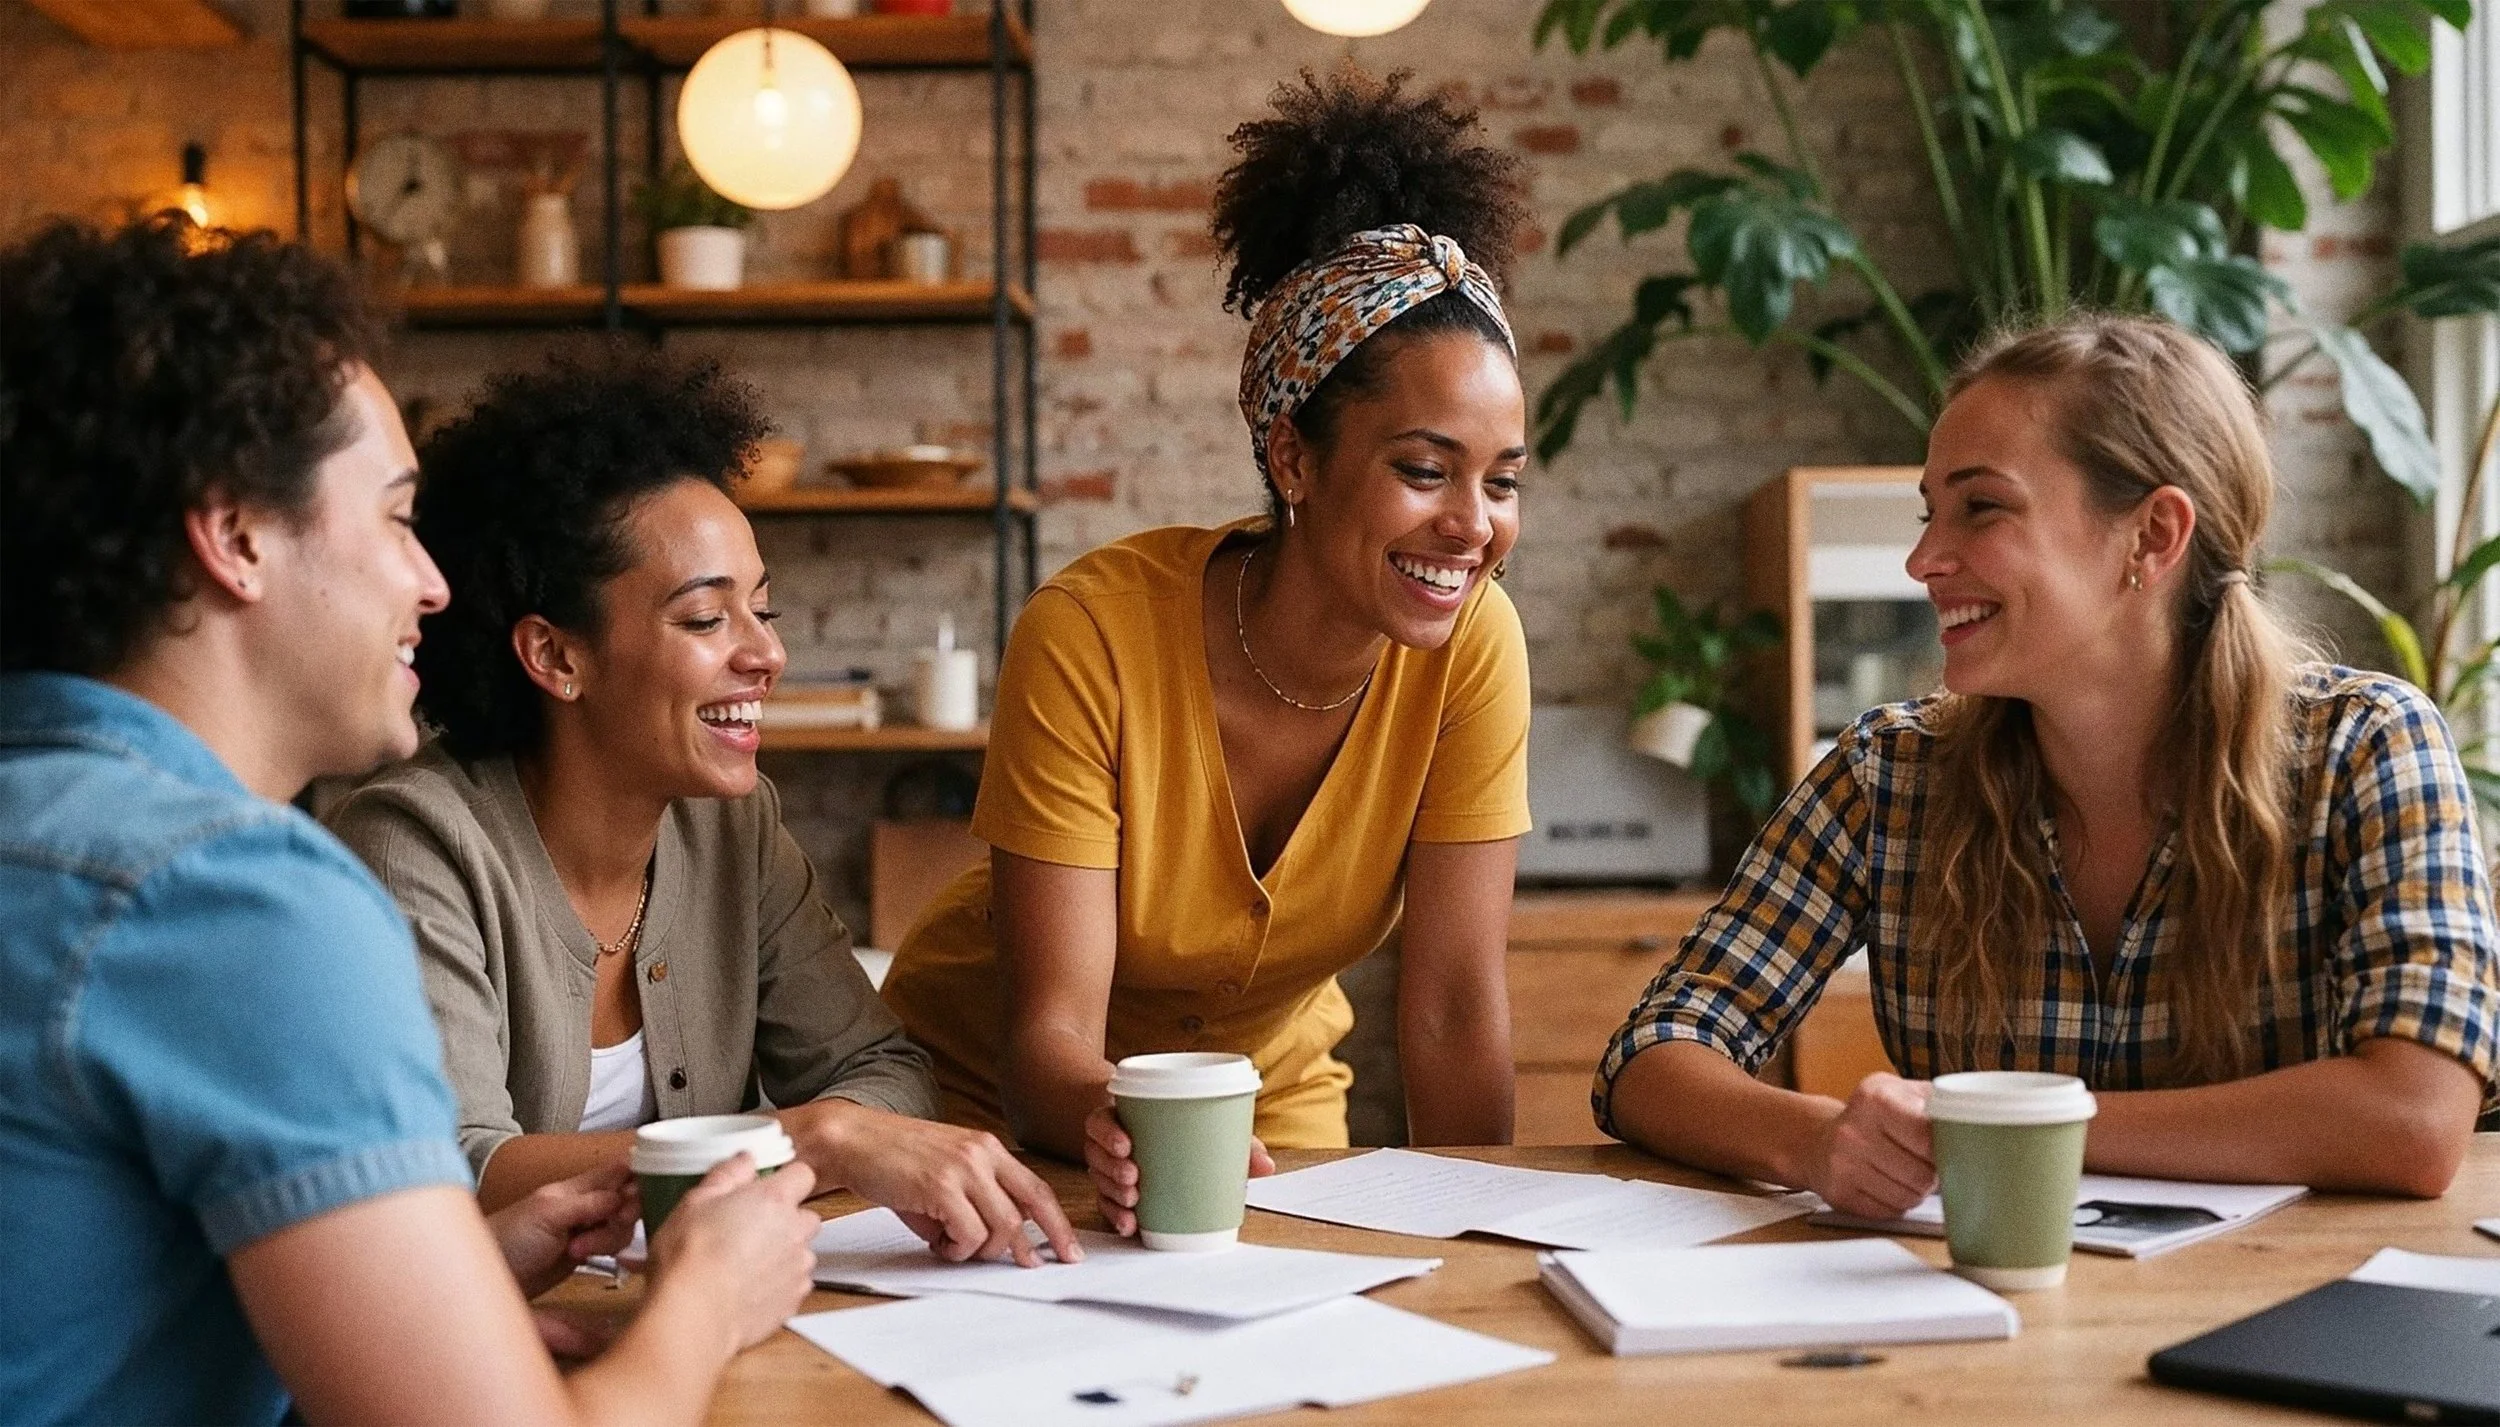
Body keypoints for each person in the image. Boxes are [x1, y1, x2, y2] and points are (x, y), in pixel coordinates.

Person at [0, 215, 819, 1426]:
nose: (431, 583)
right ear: (235, 538)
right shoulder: (234, 894)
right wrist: (707, 1291)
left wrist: (458, 1269)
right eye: (393, 516)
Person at [1599, 313, 2500, 1215]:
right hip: (1986, 1317)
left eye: (1981, 506)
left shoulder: (2367, 748)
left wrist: (2008, 1128)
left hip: (2291, 1323)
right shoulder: (1888, 775)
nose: (1923, 559)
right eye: (1929, 513)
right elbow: (1654, 1052)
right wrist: (1815, 1139)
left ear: (2152, 535)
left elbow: (2414, 1116)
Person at [879, 69, 1537, 1234]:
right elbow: (1048, 1040)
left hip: (1271, 1114)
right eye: (1425, 470)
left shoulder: (1472, 648)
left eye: (1503, 480)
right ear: (1294, 458)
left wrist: (1495, 1248)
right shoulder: (1091, 634)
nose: (1473, 524)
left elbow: (1449, 1010)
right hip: (995, 1116)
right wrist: (1116, 1119)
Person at [325, 352, 1080, 1268]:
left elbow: (887, 1075)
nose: (766, 653)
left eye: (762, 609)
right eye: (705, 619)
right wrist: (810, 1140)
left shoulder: (732, 826)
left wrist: (831, 1129)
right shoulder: (417, 842)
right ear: (555, 656)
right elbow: (453, 1167)